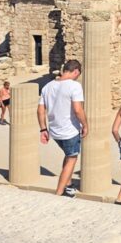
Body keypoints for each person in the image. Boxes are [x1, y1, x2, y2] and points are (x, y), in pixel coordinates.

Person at [37, 60, 87, 197]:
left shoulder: (48, 86)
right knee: (72, 158)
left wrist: (43, 129)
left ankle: (69, 184)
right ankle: (59, 193)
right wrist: (85, 125)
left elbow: (40, 110)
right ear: (76, 71)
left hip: (54, 131)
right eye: (78, 74)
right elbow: (78, 109)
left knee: (67, 155)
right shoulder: (75, 86)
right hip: (69, 131)